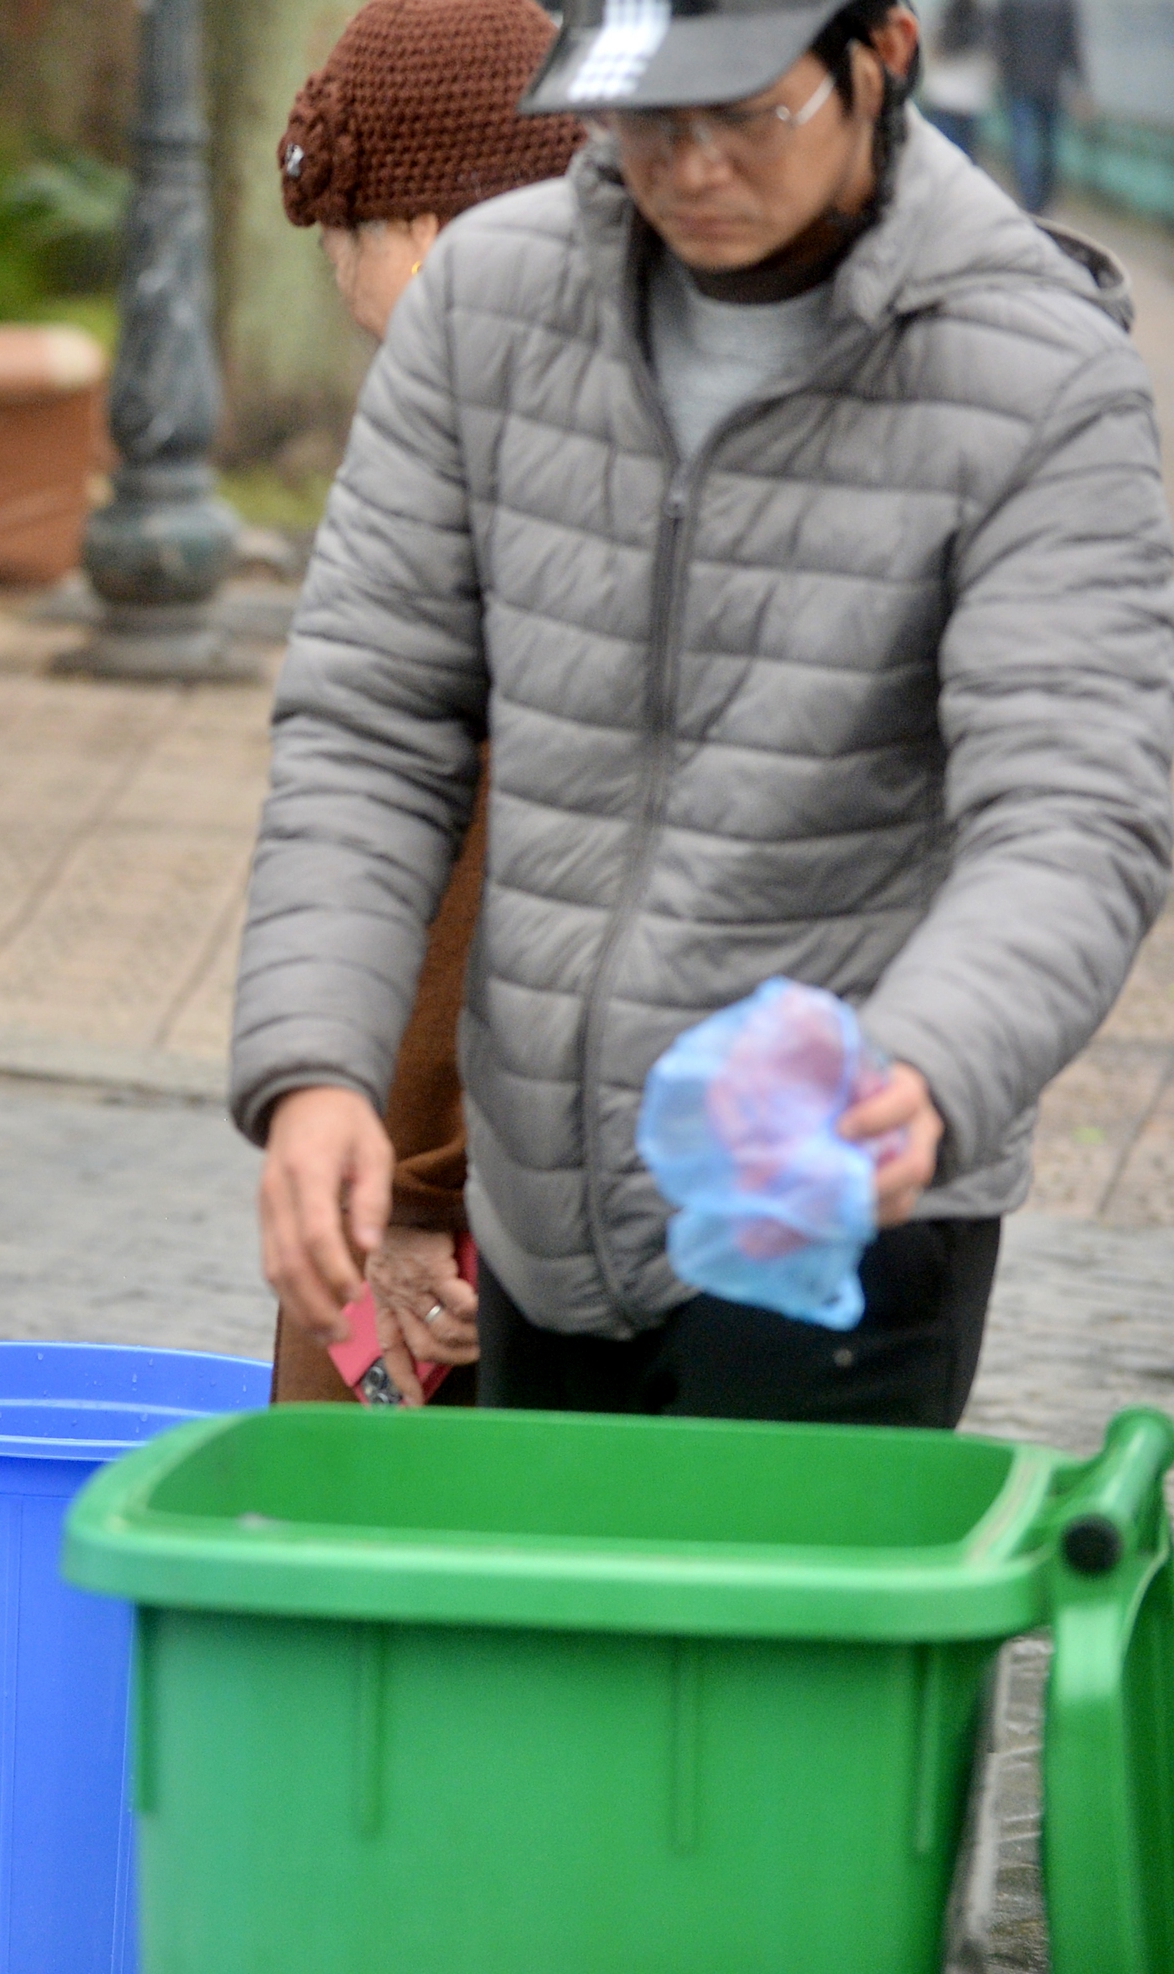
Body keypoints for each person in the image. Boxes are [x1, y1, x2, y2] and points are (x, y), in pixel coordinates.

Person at [236, 0, 1174, 1427]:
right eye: (645, 118)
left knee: (767, 1646)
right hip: (545, 1212)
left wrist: (930, 1055)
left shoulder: (1034, 371)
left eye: (744, 114)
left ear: (887, 56)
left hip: (842, 1206)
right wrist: (317, 1066)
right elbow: (371, 724)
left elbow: (1076, 805)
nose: (690, 169)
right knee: (542, 1645)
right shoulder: (491, 303)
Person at [266, 0, 582, 1407]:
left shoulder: (491, 457)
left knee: (349, 1543)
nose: (342, 283)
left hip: (458, 1172)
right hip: (531, 1159)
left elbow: (469, 855)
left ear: (438, 231)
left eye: (352, 236)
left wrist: (409, 1185)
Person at [993, 0, 1081, 210]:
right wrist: (1080, 85)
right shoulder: (1063, 5)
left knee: (1022, 144)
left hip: (1018, 84)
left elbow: (1000, 40)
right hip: (1051, 86)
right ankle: (1044, 199)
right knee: (1049, 146)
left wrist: (1003, 75)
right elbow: (1072, 44)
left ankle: (1029, 200)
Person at [917, 0, 997, 159]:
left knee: (943, 150)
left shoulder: (946, 18)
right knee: (966, 152)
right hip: (971, 98)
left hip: (944, 95)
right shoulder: (984, 22)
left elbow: (935, 48)